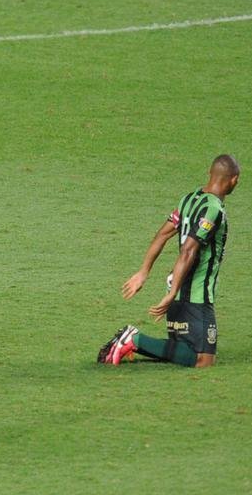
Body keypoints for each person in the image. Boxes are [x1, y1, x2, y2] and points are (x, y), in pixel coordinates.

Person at [99, 154, 241, 368]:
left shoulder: (188, 200)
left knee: (183, 350)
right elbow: (188, 251)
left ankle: (129, 342)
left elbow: (162, 235)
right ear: (234, 180)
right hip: (194, 294)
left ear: (209, 173)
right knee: (203, 360)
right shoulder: (213, 209)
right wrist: (172, 293)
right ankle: (133, 339)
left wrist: (143, 272)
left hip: (177, 289)